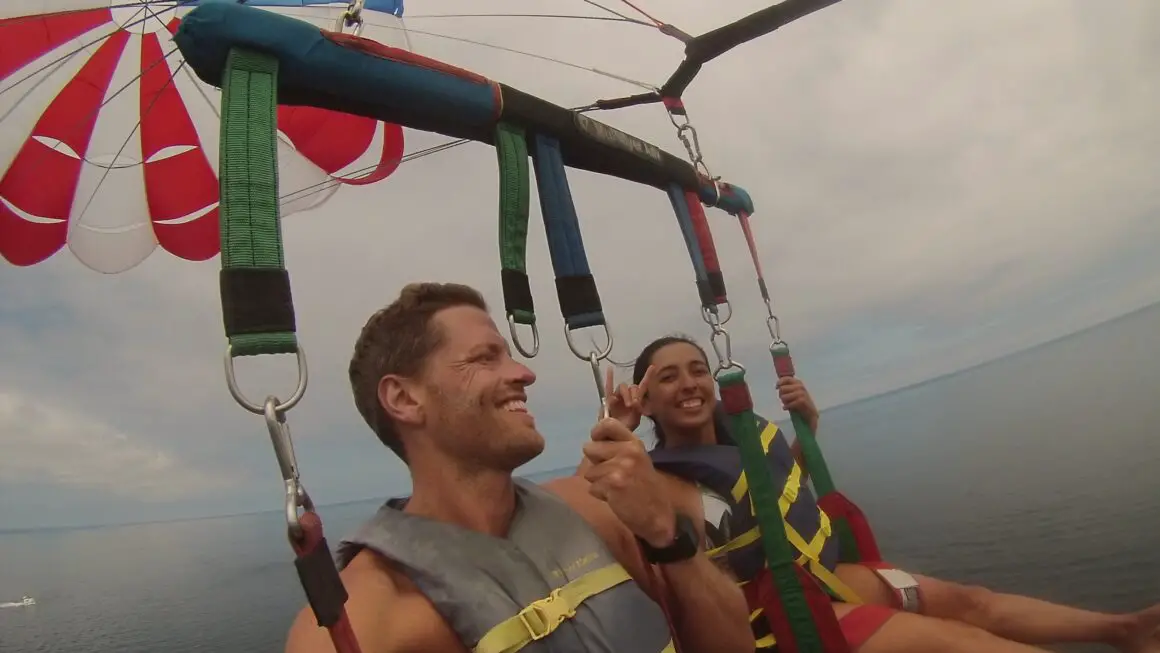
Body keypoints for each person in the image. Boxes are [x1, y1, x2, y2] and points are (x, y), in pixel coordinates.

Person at [603, 333, 1160, 653]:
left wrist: (808, 429)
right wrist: (618, 431)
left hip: (829, 577)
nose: (690, 383)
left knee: (974, 601)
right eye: (668, 377)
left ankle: (1124, 630)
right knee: (956, 643)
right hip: (783, 619)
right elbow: (634, 519)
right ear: (646, 400)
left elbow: (772, 498)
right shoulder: (662, 479)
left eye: (697, 369)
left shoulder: (747, 436)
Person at [283, 284, 754, 653]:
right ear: (405, 399)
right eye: (486, 358)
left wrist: (667, 537)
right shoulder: (367, 617)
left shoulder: (597, 512)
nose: (524, 374)